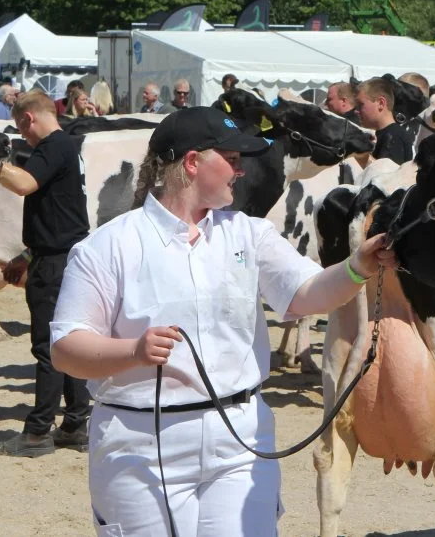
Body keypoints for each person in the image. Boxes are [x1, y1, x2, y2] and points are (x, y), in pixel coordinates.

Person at [47, 106, 395, 536]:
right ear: (192, 163)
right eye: (231, 159)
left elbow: (308, 293)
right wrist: (132, 351)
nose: (241, 171)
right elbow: (66, 348)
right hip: (139, 445)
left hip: (240, 441)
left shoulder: (249, 233)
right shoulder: (107, 246)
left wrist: (358, 267)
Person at [0, 91, 93, 457]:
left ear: (29, 119)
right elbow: (60, 213)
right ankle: (76, 423)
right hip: (67, 257)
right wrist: (29, 251)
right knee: (69, 343)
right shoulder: (67, 147)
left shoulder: (51, 147)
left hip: (55, 265)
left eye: (21, 128)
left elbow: (23, 185)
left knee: (48, 347)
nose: (24, 136)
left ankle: (36, 433)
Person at [356, 77, 415, 164]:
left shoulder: (394, 136)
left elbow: (385, 174)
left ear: (381, 103)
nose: (356, 110)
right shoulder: (383, 134)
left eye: (360, 105)